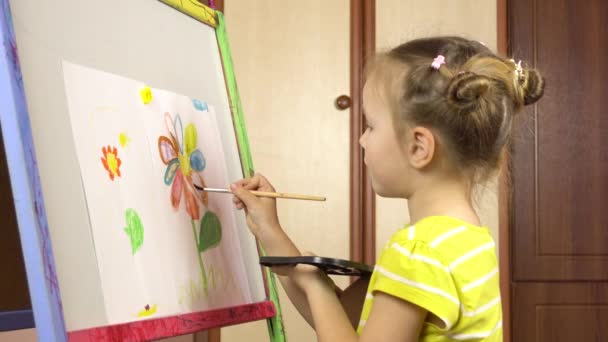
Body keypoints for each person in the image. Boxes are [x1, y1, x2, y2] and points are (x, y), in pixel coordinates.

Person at [230, 36, 545, 341]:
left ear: (418, 147)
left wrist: (317, 287)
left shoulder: (418, 254)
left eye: (371, 125)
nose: (362, 139)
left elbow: (332, 314)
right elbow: (340, 320)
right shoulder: (466, 242)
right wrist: (269, 230)